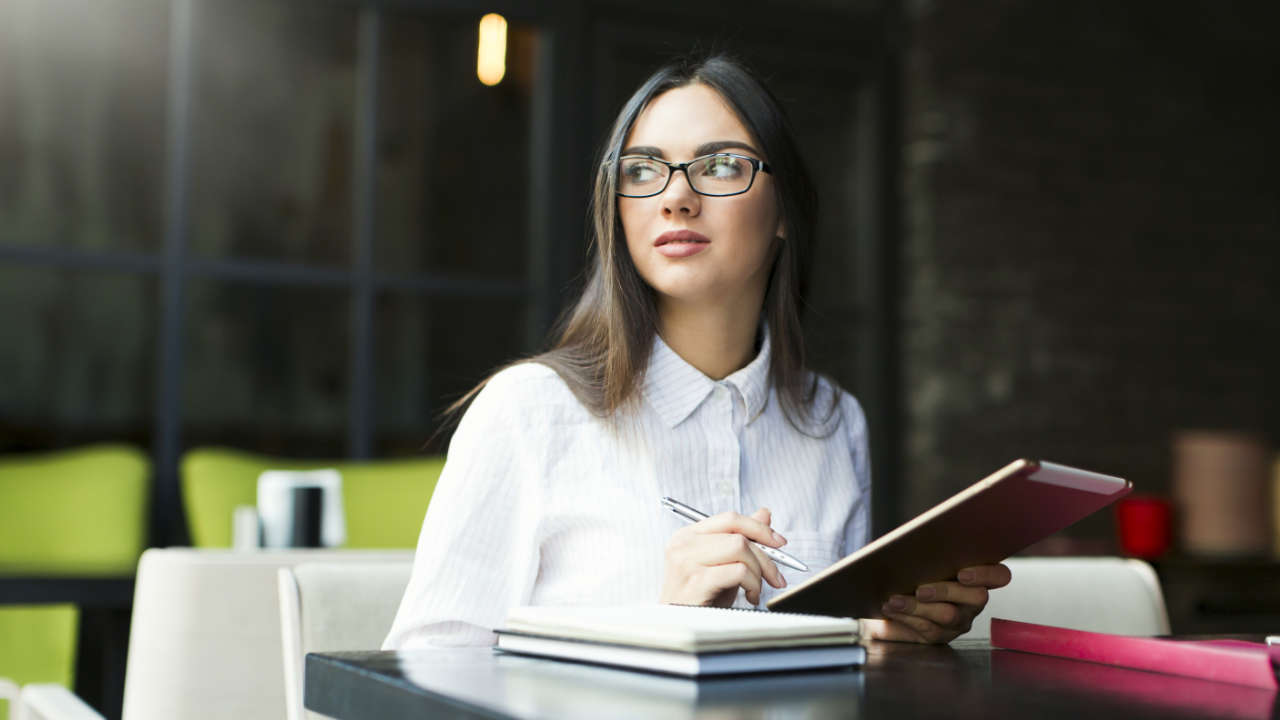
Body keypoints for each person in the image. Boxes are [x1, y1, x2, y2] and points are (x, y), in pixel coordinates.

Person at [383, 53, 1009, 649]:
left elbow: (830, 673)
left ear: (784, 207)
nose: (675, 197)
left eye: (720, 166)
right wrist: (665, 627)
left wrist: (890, 633)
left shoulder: (833, 421)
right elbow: (422, 670)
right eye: (642, 169)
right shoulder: (529, 411)